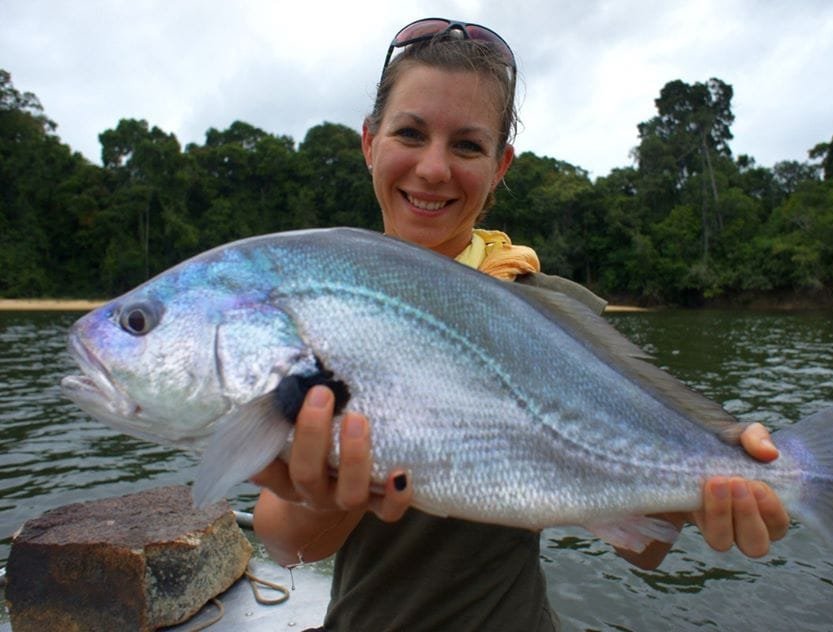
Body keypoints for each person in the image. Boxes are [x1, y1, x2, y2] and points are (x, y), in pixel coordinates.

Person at [252, 17, 790, 630]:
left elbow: (643, 546)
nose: (432, 168)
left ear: (500, 164)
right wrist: (340, 484)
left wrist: (710, 485)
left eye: (467, 145)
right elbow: (288, 544)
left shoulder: (557, 310)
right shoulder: (317, 311)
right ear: (369, 142)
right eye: (410, 132)